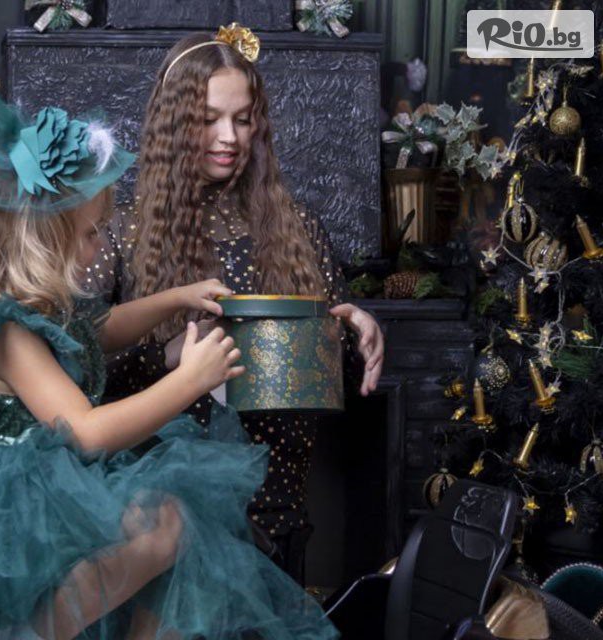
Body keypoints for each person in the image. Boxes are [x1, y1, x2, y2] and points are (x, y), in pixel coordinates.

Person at [0, 74, 338, 640]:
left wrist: (176, 297)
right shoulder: (11, 331)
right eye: (92, 233)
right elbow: (87, 432)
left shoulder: (51, 311)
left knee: (172, 525)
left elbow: (105, 329)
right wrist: (190, 380)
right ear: (40, 239)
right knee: (160, 529)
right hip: (16, 492)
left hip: (58, 480)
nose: (98, 246)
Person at [86, 25, 385, 585]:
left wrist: (355, 333)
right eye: (208, 119)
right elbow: (79, 372)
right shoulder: (121, 233)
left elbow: (328, 380)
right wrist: (165, 358)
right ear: (175, 124)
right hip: (161, 516)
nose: (229, 137)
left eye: (243, 119)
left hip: (276, 504)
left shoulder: (297, 228)